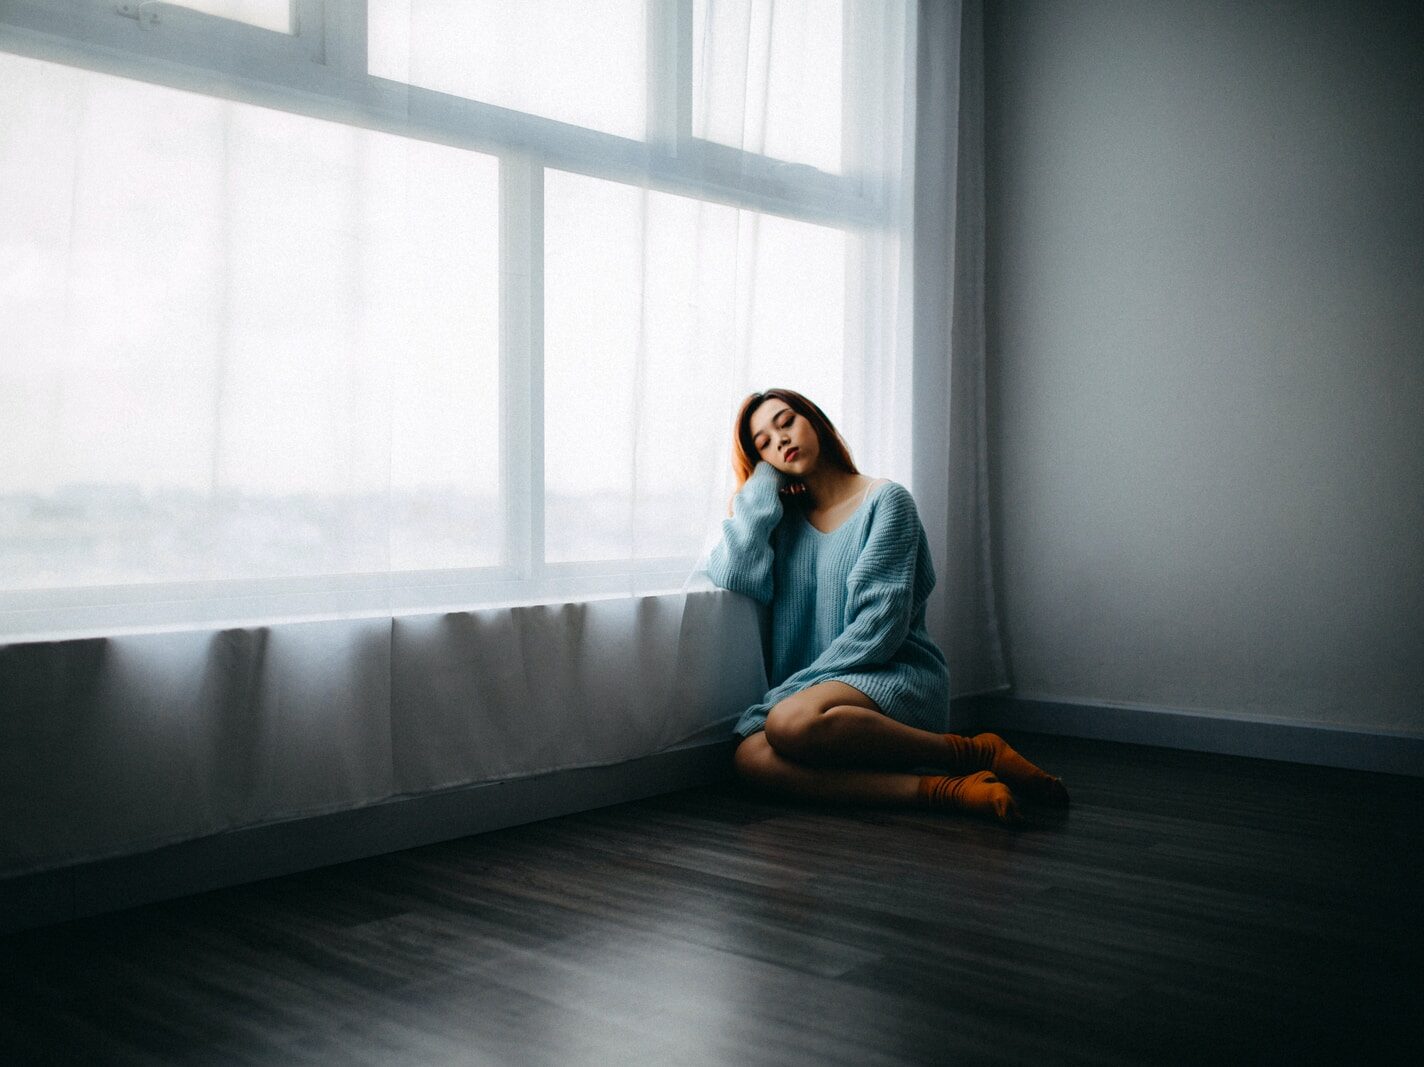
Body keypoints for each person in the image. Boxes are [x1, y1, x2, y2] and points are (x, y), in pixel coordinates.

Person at [706, 388, 1069, 825]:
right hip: (816, 703)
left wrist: (787, 697)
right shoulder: (783, 523)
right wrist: (763, 480)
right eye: (763, 442)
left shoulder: (885, 501)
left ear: (815, 420)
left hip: (891, 674)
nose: (780, 440)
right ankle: (940, 791)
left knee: (786, 723)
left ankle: (970, 750)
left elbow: (879, 627)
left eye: (786, 422)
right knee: (750, 758)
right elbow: (735, 572)